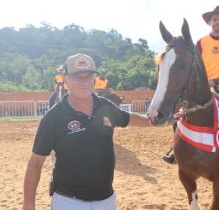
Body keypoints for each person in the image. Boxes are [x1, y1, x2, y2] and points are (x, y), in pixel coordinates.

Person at [23, 53, 151, 210]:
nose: (83, 81)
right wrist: (28, 205)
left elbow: (129, 118)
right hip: (68, 202)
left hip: (106, 200)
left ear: (94, 80)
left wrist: (158, 121)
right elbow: (35, 163)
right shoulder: (53, 117)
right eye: (77, 76)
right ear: (66, 80)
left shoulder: (105, 106)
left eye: (88, 76)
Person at [163, 5, 219, 164]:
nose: (217, 22)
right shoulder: (201, 42)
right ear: (210, 23)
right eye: (214, 19)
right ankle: (176, 148)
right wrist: (205, 80)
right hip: (203, 83)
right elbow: (194, 64)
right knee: (180, 110)